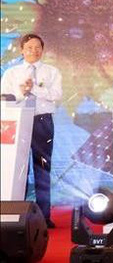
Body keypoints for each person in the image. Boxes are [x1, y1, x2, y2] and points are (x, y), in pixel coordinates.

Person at [1, 34, 62, 228]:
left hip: (42, 122)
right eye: (29, 47)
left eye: (37, 48)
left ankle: (44, 216)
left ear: (42, 50)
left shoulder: (52, 72)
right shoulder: (12, 73)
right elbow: (5, 97)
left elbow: (56, 95)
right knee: (19, 169)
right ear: (22, 50)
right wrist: (22, 92)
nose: (33, 51)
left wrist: (34, 88)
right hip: (17, 122)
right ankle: (17, 212)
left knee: (42, 168)